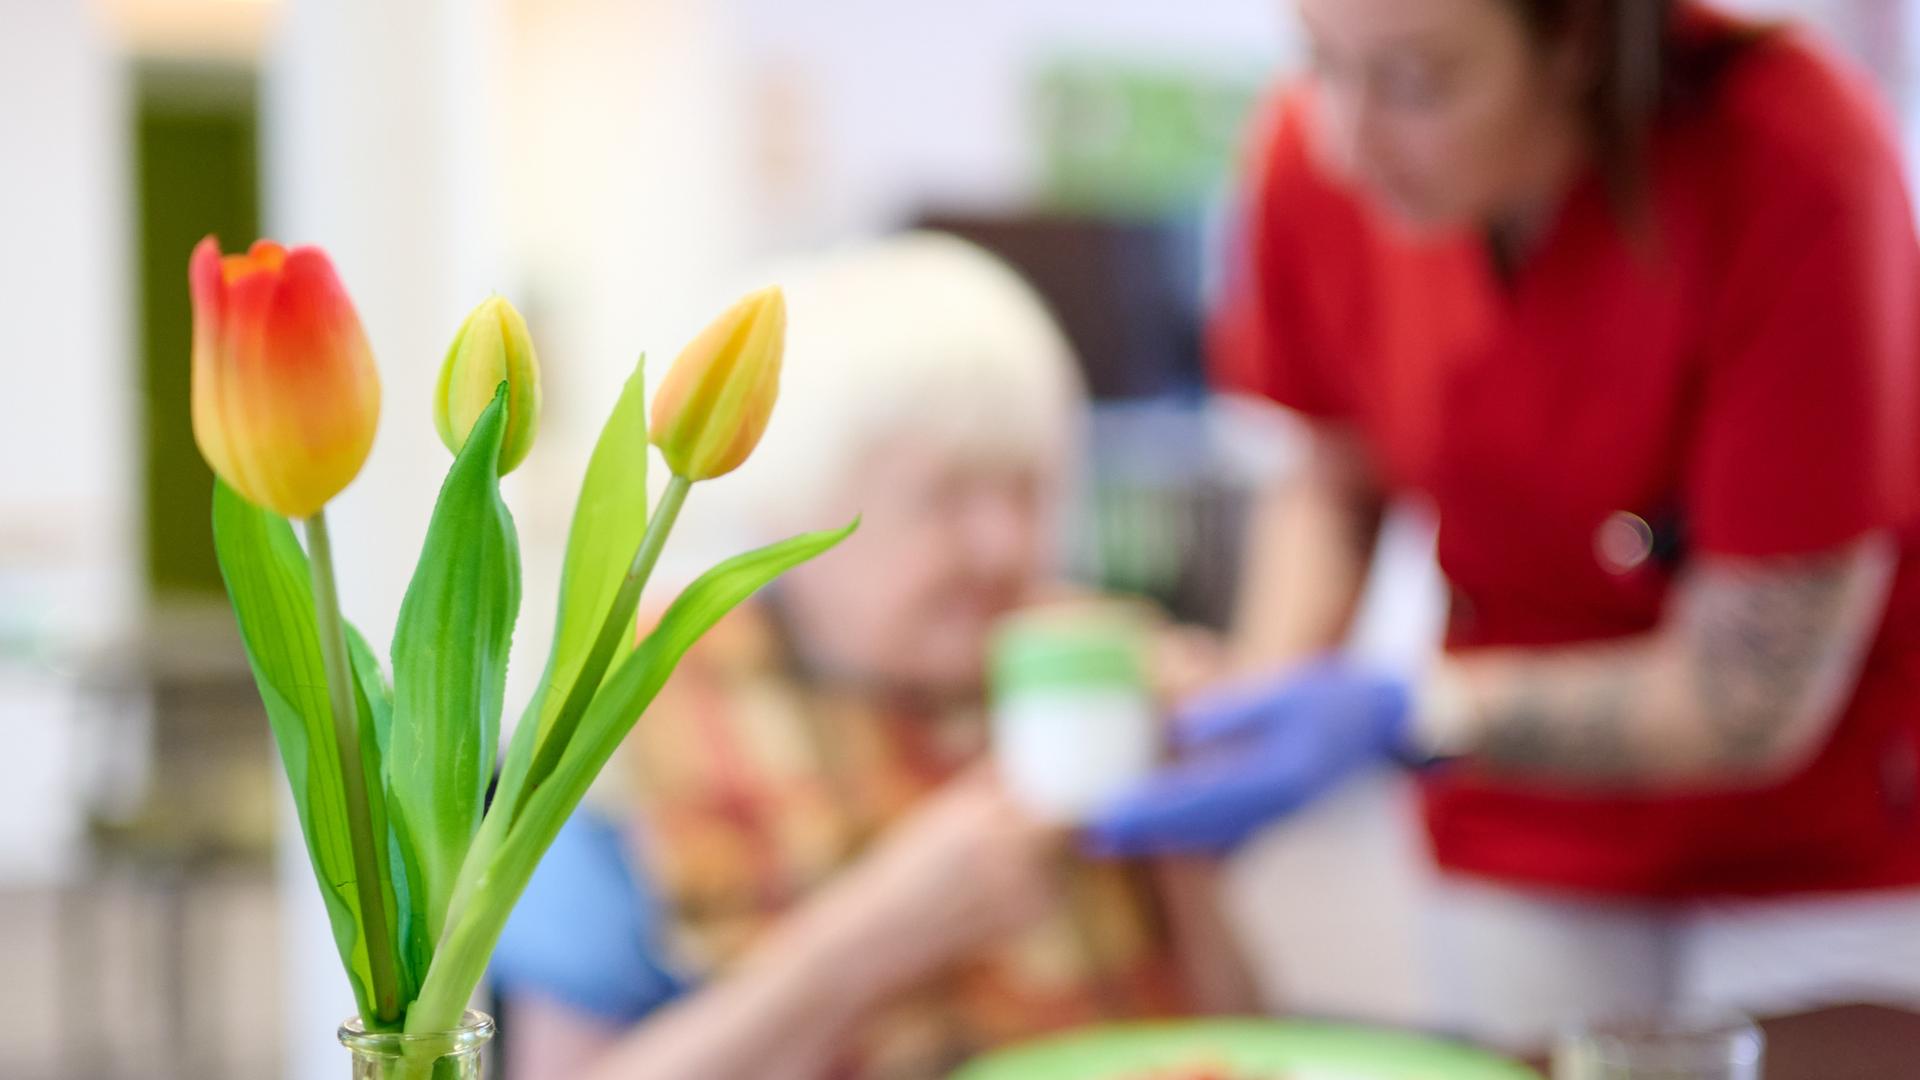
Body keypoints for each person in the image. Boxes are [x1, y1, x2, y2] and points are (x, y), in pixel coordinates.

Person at [1088, 0, 1920, 1047]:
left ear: (1575, 40)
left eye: (1416, 82)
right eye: (1317, 65)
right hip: (1523, 826)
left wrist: (1407, 714)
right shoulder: (1308, 156)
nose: (1345, 145)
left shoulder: (1792, 157)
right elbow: (1334, 480)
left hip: (1813, 841)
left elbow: (1749, 698)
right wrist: (1257, 704)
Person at [491, 233, 1254, 1080]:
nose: (1002, 545)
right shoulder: (631, 713)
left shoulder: (1086, 665)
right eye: (946, 496)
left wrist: (1184, 827)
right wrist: (868, 945)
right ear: (794, 510)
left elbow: (1240, 1041)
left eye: (1029, 489)